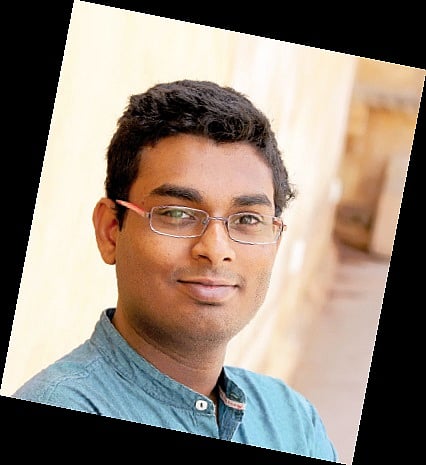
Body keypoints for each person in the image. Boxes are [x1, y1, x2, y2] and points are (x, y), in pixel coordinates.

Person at [12, 79, 338, 461]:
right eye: (177, 214)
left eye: (248, 219)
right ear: (111, 230)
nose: (216, 250)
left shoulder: (292, 420)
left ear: (275, 242)